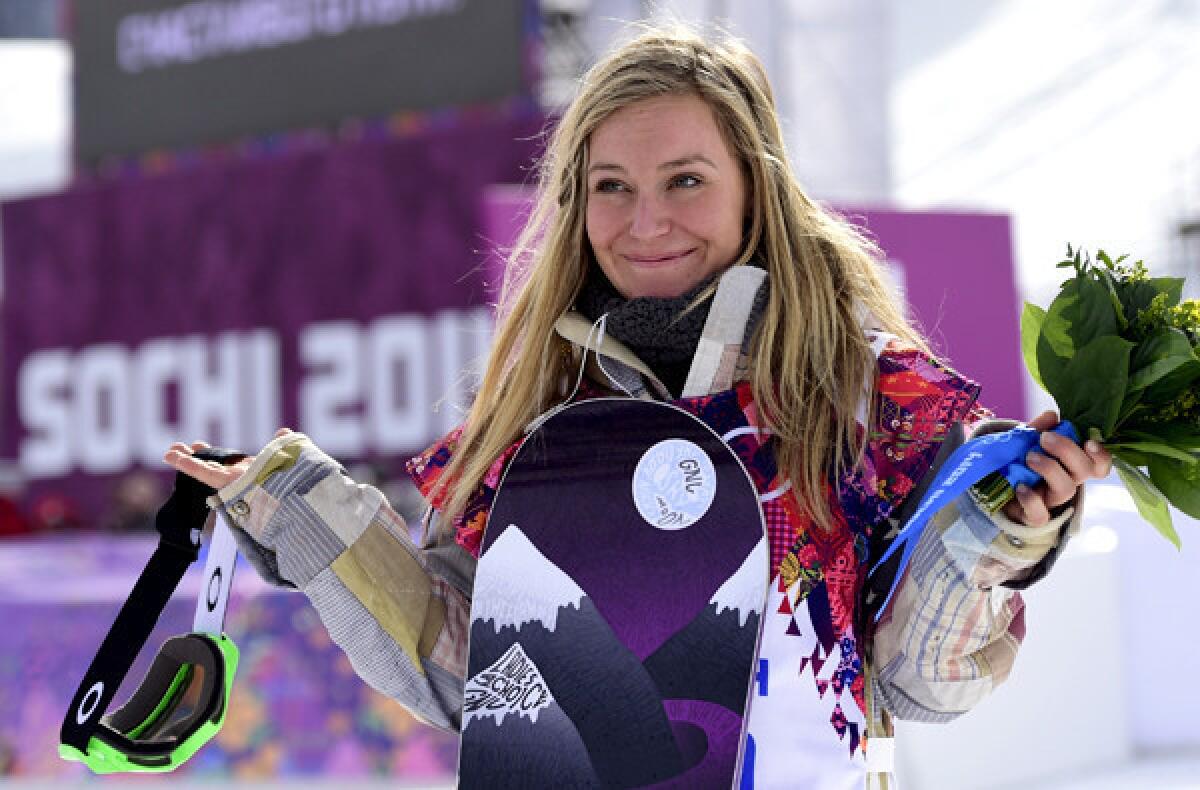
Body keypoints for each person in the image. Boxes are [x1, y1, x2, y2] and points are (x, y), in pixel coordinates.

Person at [165, 24, 1112, 789]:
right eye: (611, 187)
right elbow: (462, 679)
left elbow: (920, 689)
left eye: (685, 181)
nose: (645, 221)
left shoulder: (863, 398)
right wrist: (301, 503)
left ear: (758, 189)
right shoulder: (543, 421)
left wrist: (991, 533)